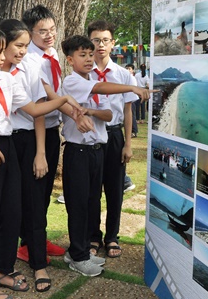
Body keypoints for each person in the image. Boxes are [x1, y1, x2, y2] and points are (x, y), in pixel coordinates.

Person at [0, 25, 82, 297]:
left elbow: (33, 109)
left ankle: (3, 269)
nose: (15, 53)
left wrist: (63, 100)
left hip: (6, 146)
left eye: (23, 45)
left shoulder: (6, 80)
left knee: (13, 212)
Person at [0, 19, 90, 293]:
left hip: (30, 139)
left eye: (26, 45)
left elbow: (40, 107)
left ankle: (38, 262)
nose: (23, 51)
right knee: (9, 208)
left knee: (36, 203)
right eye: (19, 45)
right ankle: (4, 263)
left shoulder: (36, 63)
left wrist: (40, 152)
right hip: (3, 142)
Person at [59, 35, 153, 276]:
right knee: (78, 205)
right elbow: (101, 90)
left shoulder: (90, 80)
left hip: (97, 151)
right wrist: (132, 87)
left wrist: (90, 110)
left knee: (91, 202)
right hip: (78, 151)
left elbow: (109, 115)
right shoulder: (72, 82)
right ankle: (78, 255)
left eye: (91, 55)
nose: (90, 59)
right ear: (70, 60)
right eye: (83, 55)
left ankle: (78, 250)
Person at [88, 21, 138, 259]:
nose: (100, 45)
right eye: (96, 40)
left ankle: (112, 237)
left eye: (105, 40)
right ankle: (93, 236)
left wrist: (128, 143)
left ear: (113, 44)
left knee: (115, 189)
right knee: (92, 189)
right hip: (91, 135)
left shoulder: (122, 75)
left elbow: (128, 110)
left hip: (115, 134)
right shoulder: (83, 74)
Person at [20, 5, 67, 256]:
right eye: (42, 32)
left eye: (52, 30)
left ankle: (36, 238)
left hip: (51, 128)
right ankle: (30, 244)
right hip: (34, 130)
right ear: (30, 33)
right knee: (35, 192)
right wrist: (75, 110)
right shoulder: (29, 59)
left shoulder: (52, 54)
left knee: (45, 190)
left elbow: (55, 94)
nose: (49, 35)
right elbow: (42, 100)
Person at [125, 63, 138, 138]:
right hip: (127, 99)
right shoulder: (126, 77)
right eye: (126, 68)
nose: (127, 70)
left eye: (129, 69)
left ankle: (134, 131)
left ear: (132, 70)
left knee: (131, 115)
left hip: (131, 99)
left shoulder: (132, 78)